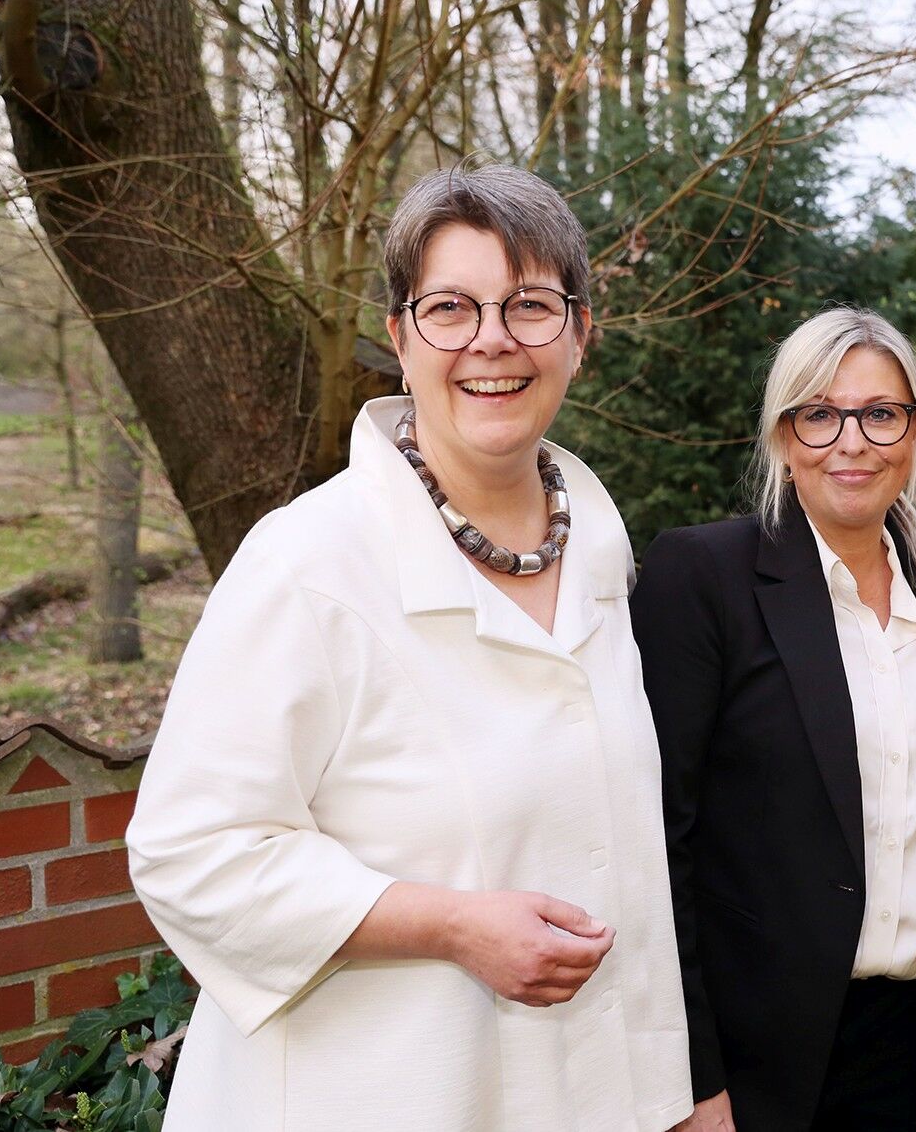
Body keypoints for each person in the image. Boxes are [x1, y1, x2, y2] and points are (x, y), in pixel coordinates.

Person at [126, 162, 692, 1132]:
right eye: (450, 306)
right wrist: (453, 922)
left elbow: (620, 858)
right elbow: (191, 852)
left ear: (580, 332)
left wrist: (663, 1096)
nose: (491, 339)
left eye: (530, 305)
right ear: (398, 336)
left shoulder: (601, 550)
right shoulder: (307, 562)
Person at [629, 307, 916, 1132]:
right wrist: (690, 1076)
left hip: (902, 1043)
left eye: (880, 413)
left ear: (913, 433)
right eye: (821, 414)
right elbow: (656, 843)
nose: (852, 441)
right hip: (749, 1058)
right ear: (785, 435)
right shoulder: (705, 575)